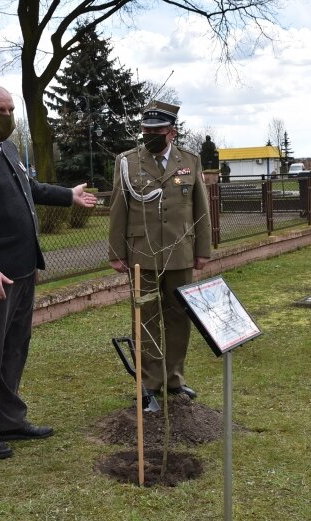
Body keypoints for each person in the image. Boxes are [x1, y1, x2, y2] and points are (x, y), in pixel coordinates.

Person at [0, 85, 97, 459]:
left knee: (14, 349)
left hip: (24, 270)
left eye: (12, 108)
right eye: (0, 109)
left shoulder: (6, 148)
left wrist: (68, 195)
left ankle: (11, 420)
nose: (8, 115)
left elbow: (28, 188)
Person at [108, 100, 212, 402]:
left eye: (158, 130)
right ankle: (150, 383)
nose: (150, 134)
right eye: (146, 130)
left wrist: (202, 250)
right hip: (142, 254)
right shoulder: (128, 161)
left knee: (180, 316)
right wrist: (117, 251)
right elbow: (119, 208)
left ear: (172, 132)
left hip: (180, 252)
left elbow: (201, 209)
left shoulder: (190, 161)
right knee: (145, 317)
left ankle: (174, 379)